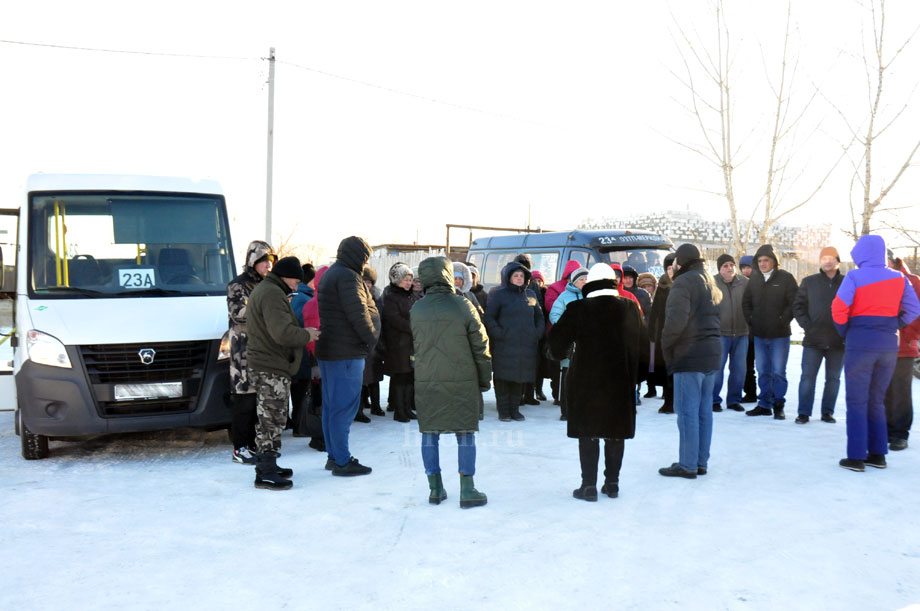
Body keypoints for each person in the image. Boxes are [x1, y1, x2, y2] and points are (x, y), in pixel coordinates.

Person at [549, 263, 644, 501]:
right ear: (614, 282)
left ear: (589, 283)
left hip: (586, 381)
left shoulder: (578, 308)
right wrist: (637, 377)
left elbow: (556, 344)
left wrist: (560, 353)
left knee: (588, 432)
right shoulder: (630, 307)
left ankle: (588, 486)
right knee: (615, 433)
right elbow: (642, 345)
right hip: (620, 381)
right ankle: (612, 484)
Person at [832, 235, 920, 471]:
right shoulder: (900, 278)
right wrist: (893, 324)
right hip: (888, 345)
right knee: (877, 401)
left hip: (860, 344)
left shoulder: (854, 276)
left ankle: (856, 457)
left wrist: (845, 329)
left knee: (857, 401)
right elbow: (914, 309)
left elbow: (838, 307)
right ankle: (878, 454)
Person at [411, 256, 492, 508]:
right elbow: (481, 346)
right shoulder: (463, 305)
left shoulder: (417, 309)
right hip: (461, 379)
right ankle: (467, 489)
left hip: (427, 380)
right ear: (447, 275)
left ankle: (435, 488)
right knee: (465, 432)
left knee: (429, 433)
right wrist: (484, 378)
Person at [246, 256, 320, 490]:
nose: (297, 286)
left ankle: (268, 464)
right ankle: (265, 472)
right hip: (270, 365)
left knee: (272, 416)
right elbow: (282, 333)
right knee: (271, 418)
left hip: (269, 363)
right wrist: (307, 334)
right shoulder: (272, 293)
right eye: (296, 281)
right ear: (285, 276)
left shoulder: (268, 290)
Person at [315, 236, 381, 476]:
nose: (365, 263)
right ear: (357, 256)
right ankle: (342, 461)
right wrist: (372, 338)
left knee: (332, 407)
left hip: (331, 351)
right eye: (364, 257)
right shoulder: (347, 277)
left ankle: (334, 456)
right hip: (346, 352)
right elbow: (359, 314)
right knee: (344, 408)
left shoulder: (333, 273)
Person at [658, 244, 722, 479]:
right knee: (705, 410)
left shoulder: (683, 283)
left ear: (681, 263)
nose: (672, 266)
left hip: (689, 354)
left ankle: (687, 464)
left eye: (675, 261)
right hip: (712, 354)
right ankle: (700, 461)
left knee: (687, 411)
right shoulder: (711, 282)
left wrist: (666, 347)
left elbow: (675, 323)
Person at [227, 240, 276, 465]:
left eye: (271, 262)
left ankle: (253, 443)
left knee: (258, 400)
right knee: (243, 401)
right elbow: (238, 313)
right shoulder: (238, 285)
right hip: (243, 352)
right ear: (253, 261)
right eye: (264, 261)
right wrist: (265, 307)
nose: (268, 266)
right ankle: (240, 447)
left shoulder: (267, 285)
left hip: (262, 350)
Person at [742, 244, 798, 420]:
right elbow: (746, 303)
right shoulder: (755, 280)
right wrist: (751, 320)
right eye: (759, 261)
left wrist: (783, 320)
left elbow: (794, 303)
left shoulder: (786, 278)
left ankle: (778, 404)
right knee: (762, 371)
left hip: (779, 335)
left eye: (766, 260)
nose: (763, 263)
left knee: (778, 371)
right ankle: (764, 404)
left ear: (774, 261)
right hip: (759, 334)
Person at [484, 260, 545, 421]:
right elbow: (489, 318)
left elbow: (539, 317)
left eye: (522, 276)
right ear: (508, 277)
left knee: (520, 377)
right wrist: (499, 333)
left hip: (526, 345)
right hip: (504, 344)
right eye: (516, 275)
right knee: (503, 378)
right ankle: (504, 411)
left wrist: (536, 333)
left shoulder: (530, 294)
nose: (519, 278)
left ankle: (515, 409)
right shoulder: (498, 294)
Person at [792, 247, 845, 424]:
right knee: (807, 377)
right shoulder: (809, 282)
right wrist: (808, 325)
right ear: (820, 262)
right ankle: (804, 413)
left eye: (831, 258)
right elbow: (798, 306)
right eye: (824, 258)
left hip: (838, 341)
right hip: (813, 340)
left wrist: (845, 329)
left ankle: (827, 412)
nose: (827, 261)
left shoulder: (847, 282)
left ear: (838, 261)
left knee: (833, 379)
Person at [885, 250, 920, 451]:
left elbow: (917, 312)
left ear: (894, 260)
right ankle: (886, 430)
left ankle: (900, 433)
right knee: (883, 391)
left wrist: (909, 336)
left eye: (885, 260)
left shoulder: (913, 281)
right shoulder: (875, 281)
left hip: (904, 346)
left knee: (901, 392)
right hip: (880, 346)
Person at [289, 262, 324, 449]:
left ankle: (300, 423)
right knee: (302, 391)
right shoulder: (302, 298)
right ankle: (300, 424)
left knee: (303, 390)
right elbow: (299, 323)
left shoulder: (304, 296)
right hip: (304, 352)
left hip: (305, 352)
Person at [549, 266, 589, 420]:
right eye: (581, 279)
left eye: (587, 279)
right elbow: (555, 314)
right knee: (568, 377)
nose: (584, 282)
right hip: (570, 343)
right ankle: (565, 411)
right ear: (574, 281)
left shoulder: (592, 295)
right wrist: (567, 330)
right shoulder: (564, 297)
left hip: (587, 344)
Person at [712, 254, 748, 412]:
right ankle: (713, 400)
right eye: (725, 265)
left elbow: (752, 304)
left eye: (731, 265)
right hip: (720, 333)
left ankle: (734, 400)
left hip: (742, 333)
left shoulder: (745, 283)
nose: (729, 268)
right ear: (719, 269)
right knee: (717, 369)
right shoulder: (712, 283)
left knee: (739, 369)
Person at [383, 263, 418, 423]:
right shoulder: (391, 297)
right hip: (397, 344)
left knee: (410, 376)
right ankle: (399, 410)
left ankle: (407, 408)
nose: (409, 283)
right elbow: (394, 319)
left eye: (410, 279)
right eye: (406, 279)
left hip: (411, 344)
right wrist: (414, 327)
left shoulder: (411, 297)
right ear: (397, 280)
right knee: (400, 376)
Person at [648, 253, 676, 412]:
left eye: (673, 267)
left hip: (680, 332)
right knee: (665, 366)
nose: (671, 271)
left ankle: (673, 399)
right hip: (664, 332)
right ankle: (668, 399)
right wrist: (652, 331)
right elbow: (655, 311)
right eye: (668, 268)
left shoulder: (683, 284)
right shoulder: (663, 285)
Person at [359, 265, 385, 420]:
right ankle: (361, 406)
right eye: (364, 282)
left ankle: (376, 405)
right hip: (362, 343)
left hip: (376, 343)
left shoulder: (377, 298)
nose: (367, 285)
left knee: (374, 377)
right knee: (361, 378)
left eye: (370, 282)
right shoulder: (356, 297)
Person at [738, 255, 758, 403]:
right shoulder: (740, 284)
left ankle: (768, 394)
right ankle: (750, 392)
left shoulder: (759, 282)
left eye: (748, 267)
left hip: (762, 330)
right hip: (745, 331)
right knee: (747, 365)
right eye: (743, 268)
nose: (746, 270)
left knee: (765, 367)